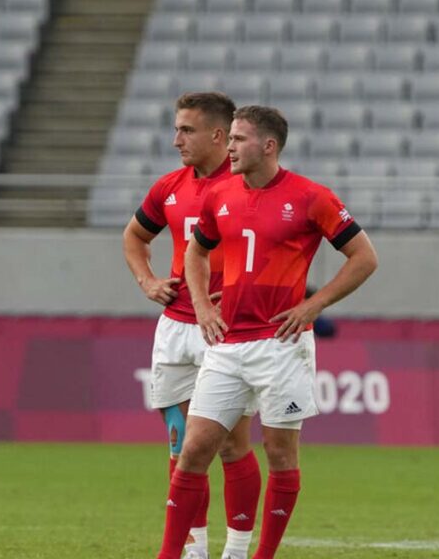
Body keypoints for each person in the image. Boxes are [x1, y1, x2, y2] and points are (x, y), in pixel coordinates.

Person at [158, 106, 378, 559]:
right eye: (231, 138)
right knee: (194, 450)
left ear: (268, 146)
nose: (230, 148)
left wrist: (315, 304)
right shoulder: (219, 195)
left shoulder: (311, 197)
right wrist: (201, 305)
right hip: (227, 343)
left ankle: (257, 556)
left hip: (282, 346)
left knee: (279, 455)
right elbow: (195, 255)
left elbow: (364, 257)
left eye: (238, 139)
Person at [123, 92, 261, 559]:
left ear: (218, 136)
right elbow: (135, 236)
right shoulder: (169, 187)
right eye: (176, 128)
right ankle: (194, 549)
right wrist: (147, 280)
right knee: (182, 444)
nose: (175, 139)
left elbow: (279, 250)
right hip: (175, 326)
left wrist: (243, 291)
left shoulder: (248, 187)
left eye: (186, 130)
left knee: (230, 444)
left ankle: (238, 550)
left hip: (226, 331)